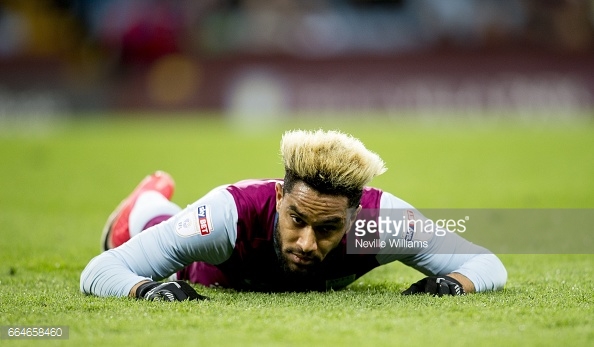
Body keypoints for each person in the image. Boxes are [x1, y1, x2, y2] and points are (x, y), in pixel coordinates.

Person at [80, 129, 507, 301]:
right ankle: (145, 208)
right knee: (162, 233)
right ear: (281, 195)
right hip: (192, 261)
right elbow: (99, 271)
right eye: (297, 219)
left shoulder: (384, 223)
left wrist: (454, 284)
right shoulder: (229, 213)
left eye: (328, 229)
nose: (306, 243)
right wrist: (148, 292)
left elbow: (486, 263)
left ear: (356, 215)